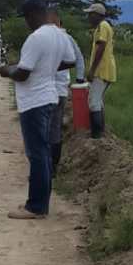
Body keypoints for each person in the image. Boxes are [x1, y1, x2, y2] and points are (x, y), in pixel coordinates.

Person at [0, 0, 75, 219]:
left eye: (25, 18)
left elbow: (22, 74)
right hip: (50, 98)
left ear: (32, 15)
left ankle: (36, 207)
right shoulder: (60, 35)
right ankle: (41, 202)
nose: (26, 22)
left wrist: (6, 70)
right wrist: (47, 68)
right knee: (44, 151)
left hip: (34, 102)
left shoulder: (35, 38)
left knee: (37, 154)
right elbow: (70, 61)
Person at [46, 9, 85, 175]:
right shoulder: (68, 39)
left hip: (44, 92)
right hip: (60, 91)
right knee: (55, 129)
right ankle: (53, 168)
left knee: (43, 129)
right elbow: (79, 58)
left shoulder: (42, 38)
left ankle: (44, 167)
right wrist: (80, 79)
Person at [86, 3, 116, 138]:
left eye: (90, 14)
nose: (88, 17)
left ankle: (96, 134)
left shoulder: (102, 26)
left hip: (101, 70)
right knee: (99, 101)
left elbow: (101, 47)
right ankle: (101, 132)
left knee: (94, 102)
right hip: (107, 69)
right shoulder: (105, 26)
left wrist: (92, 70)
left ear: (97, 15)